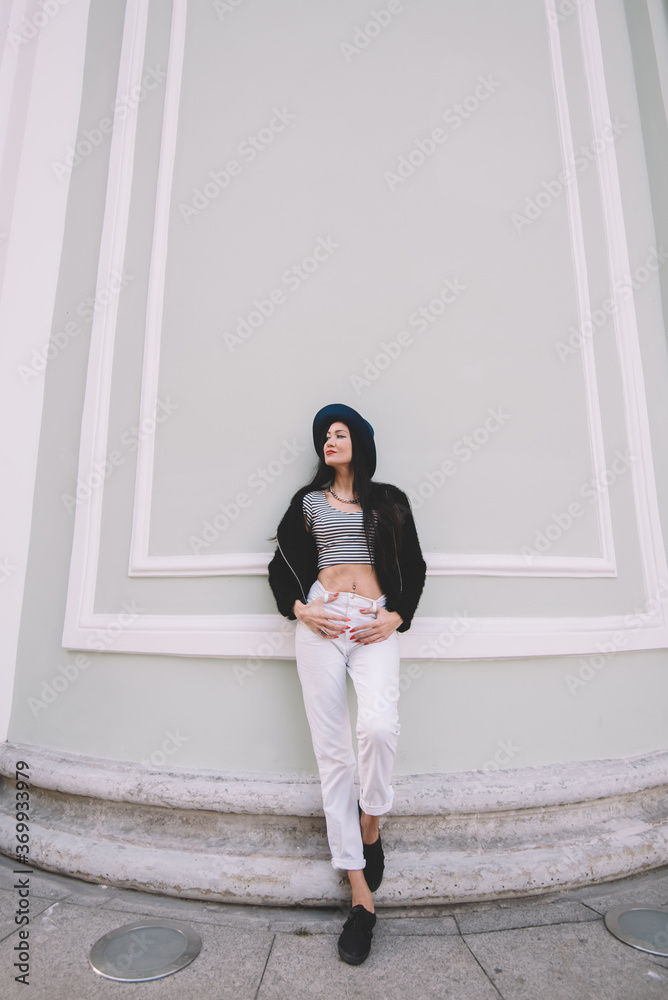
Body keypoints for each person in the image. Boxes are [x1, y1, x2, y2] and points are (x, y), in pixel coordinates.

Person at [268, 403, 427, 965]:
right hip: (322, 622)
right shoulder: (306, 503)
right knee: (333, 754)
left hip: (375, 623)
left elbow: (416, 564)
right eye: (323, 436)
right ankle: (361, 898)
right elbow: (280, 565)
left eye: (339, 433)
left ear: (359, 440)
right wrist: (300, 610)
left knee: (380, 727)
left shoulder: (390, 501)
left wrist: (398, 616)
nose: (329, 441)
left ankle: (371, 817)